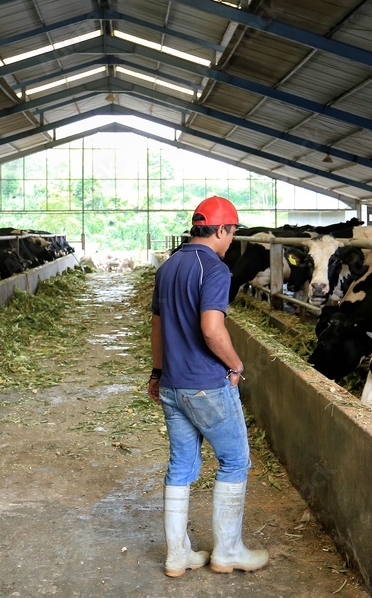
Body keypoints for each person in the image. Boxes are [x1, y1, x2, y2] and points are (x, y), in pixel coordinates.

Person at [148, 195, 269, 577]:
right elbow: (212, 331)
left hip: (172, 385)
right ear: (221, 229)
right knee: (234, 460)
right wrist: (235, 364)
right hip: (206, 385)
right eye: (232, 232)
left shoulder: (168, 267)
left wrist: (156, 372)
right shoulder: (215, 270)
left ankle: (177, 556)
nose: (231, 240)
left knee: (181, 465)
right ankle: (228, 551)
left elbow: (156, 327)